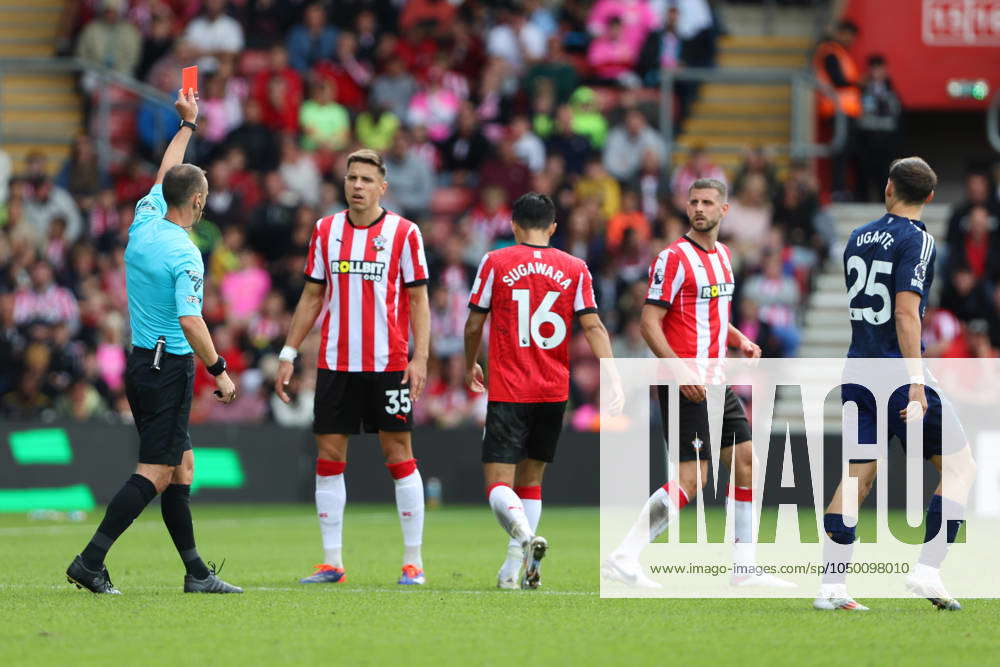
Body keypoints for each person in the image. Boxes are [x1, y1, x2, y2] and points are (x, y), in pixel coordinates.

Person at [65, 89, 240, 595]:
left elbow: (167, 170)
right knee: (158, 472)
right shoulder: (186, 254)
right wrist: (220, 369)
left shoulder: (144, 218)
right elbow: (191, 320)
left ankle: (196, 573)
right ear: (199, 203)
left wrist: (187, 125)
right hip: (170, 367)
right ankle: (90, 561)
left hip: (142, 360)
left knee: (181, 466)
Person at [602, 178, 793, 589]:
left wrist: (739, 339)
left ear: (724, 210)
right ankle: (624, 555)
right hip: (682, 384)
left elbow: (713, 317)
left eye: (707, 202)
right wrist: (679, 368)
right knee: (693, 480)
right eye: (694, 202)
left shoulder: (724, 257)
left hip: (716, 383)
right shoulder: (673, 259)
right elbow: (649, 322)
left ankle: (744, 568)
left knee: (747, 464)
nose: (699, 208)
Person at [816, 157, 977, 611]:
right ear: (929, 197)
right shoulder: (918, 239)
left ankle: (831, 586)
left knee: (856, 477)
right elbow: (905, 312)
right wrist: (916, 382)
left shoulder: (856, 237)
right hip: (897, 372)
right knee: (961, 469)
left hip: (857, 370)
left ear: (888, 188)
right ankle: (928, 570)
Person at [275, 149, 431, 586]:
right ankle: (331, 563)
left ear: (383, 187)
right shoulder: (326, 231)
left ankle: (413, 562)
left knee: (399, 456)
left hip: (388, 366)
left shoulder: (404, 233)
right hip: (335, 365)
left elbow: (419, 300)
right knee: (329, 457)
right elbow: (311, 296)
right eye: (351, 178)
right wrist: (288, 353)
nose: (357, 185)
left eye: (366, 179)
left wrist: (420, 358)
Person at [464, 192, 623, 589]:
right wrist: (615, 374)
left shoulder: (495, 262)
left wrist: (470, 364)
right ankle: (513, 570)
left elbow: (472, 325)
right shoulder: (575, 267)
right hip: (553, 391)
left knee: (499, 485)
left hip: (509, 389)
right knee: (531, 482)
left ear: (514, 225)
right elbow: (594, 327)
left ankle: (521, 538)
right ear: (553, 227)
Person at [813, 20, 862, 201]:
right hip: (837, 111)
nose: (850, 39)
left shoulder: (840, 54)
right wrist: (858, 83)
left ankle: (842, 189)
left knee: (846, 151)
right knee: (840, 152)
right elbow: (838, 80)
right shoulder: (831, 53)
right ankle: (838, 190)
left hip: (844, 111)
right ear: (839, 33)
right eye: (847, 34)